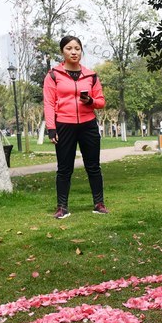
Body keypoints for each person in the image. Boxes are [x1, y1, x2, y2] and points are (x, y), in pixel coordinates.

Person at [43, 35, 107, 219]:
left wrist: (91, 101)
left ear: (81, 51)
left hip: (88, 125)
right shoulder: (53, 75)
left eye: (77, 48)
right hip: (64, 125)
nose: (73, 52)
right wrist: (51, 127)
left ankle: (99, 204)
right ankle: (62, 207)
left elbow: (101, 101)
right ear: (62, 51)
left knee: (93, 166)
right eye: (69, 48)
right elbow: (49, 102)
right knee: (64, 169)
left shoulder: (91, 75)